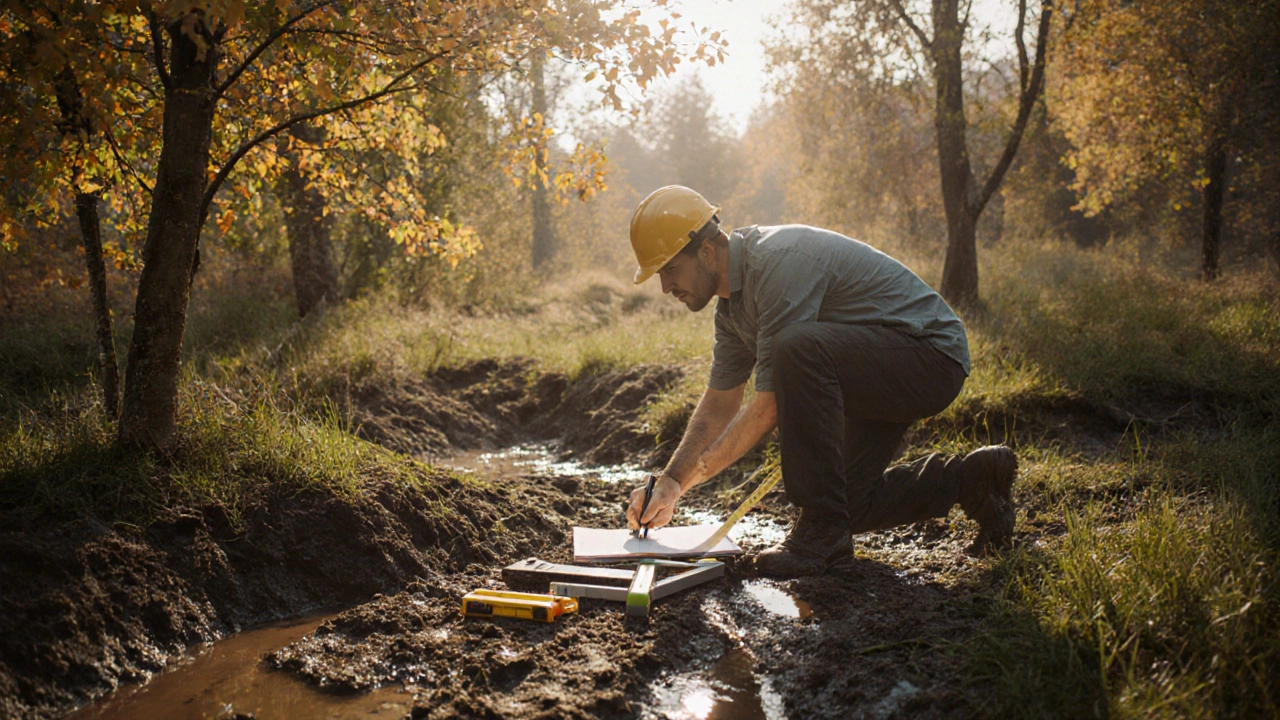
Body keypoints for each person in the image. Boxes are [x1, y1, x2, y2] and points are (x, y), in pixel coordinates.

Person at [623, 186, 1017, 578]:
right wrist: (671, 482)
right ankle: (974, 480)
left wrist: (700, 470)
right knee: (845, 504)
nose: (664, 287)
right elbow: (718, 405)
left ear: (707, 251)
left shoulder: (778, 262)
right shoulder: (730, 312)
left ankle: (819, 534)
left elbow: (770, 404)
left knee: (795, 348)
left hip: (930, 358)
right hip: (868, 369)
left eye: (670, 269)